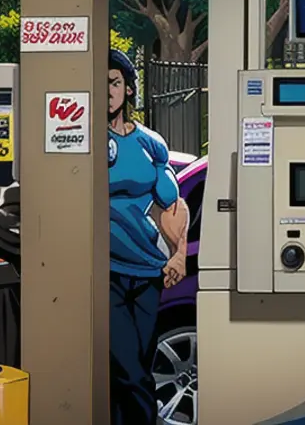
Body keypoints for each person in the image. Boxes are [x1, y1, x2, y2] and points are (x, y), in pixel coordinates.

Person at [108, 48, 189, 425]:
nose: (108, 90)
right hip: (106, 271)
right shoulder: (82, 141)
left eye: (114, 82)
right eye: (101, 83)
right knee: (127, 368)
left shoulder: (150, 143)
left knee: (138, 360)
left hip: (148, 272)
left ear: (127, 89)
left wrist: (178, 253)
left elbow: (172, 204)